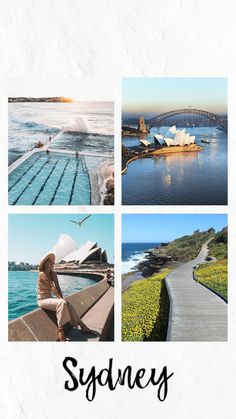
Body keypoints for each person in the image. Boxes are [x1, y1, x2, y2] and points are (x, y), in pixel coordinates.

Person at [37, 253, 93, 341]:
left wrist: (62, 299)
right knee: (62, 302)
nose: (53, 263)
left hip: (50, 298)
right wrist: (61, 300)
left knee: (68, 305)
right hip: (42, 300)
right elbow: (53, 289)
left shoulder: (53, 274)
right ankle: (60, 330)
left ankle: (83, 326)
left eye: (52, 262)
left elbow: (58, 288)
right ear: (46, 263)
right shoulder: (41, 274)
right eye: (51, 262)